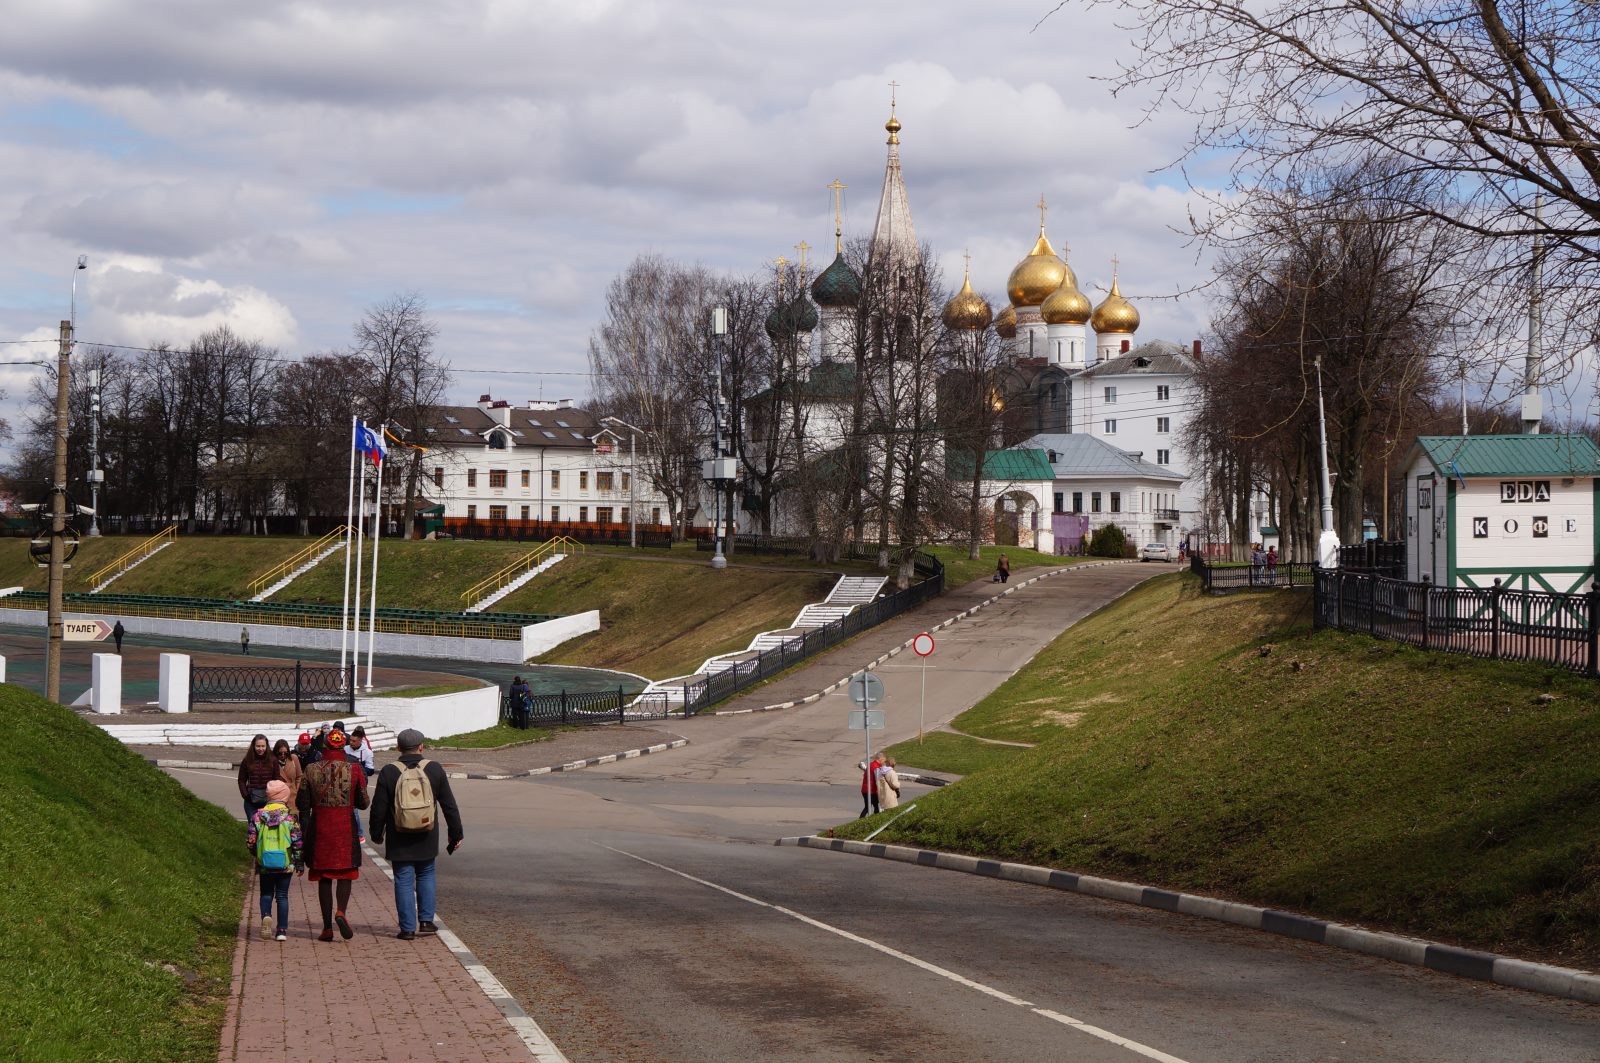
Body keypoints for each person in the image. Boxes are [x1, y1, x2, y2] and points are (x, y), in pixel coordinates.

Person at [369, 728, 465, 941]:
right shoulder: (434, 769)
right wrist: (456, 833)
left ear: (398, 747)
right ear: (421, 746)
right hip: (427, 833)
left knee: (403, 879)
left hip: (399, 834)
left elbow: (379, 808)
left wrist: (377, 833)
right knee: (426, 873)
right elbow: (449, 804)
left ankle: (407, 928)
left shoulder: (389, 771)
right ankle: (426, 921)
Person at [300, 729, 367, 941]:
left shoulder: (311, 769)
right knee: (346, 873)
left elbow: (301, 803)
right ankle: (341, 912)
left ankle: (327, 928)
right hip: (345, 830)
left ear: (325, 747)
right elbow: (364, 803)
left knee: (324, 877)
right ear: (343, 746)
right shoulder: (354, 769)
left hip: (320, 829)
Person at [246, 780, 304, 941]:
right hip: (285, 862)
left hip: (265, 862)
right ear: (284, 797)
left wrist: (257, 855)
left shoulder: (258, 816)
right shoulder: (290, 818)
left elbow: (251, 840)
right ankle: (281, 931)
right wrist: (299, 862)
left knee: (266, 893)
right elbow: (297, 842)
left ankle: (266, 916)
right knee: (282, 896)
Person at [237, 733, 277, 823]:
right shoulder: (247, 760)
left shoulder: (273, 760)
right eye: (258, 746)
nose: (261, 749)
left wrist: (273, 797)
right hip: (251, 802)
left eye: (263, 746)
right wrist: (246, 796)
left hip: (268, 801)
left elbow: (277, 780)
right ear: (253, 746)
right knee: (253, 828)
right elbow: (241, 780)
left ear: (267, 746)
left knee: (267, 828)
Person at [272, 737, 303, 810]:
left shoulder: (293, 758)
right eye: (280, 753)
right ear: (276, 752)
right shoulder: (272, 761)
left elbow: (299, 776)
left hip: (292, 796)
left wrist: (296, 789)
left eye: (285, 753)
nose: (283, 755)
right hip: (277, 797)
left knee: (292, 819)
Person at [859, 753, 882, 818]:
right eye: (883, 760)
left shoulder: (871, 764)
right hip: (871, 791)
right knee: (872, 807)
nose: (883, 762)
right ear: (880, 759)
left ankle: (864, 820)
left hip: (865, 789)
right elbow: (877, 780)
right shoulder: (876, 767)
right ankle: (864, 820)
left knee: (870, 807)